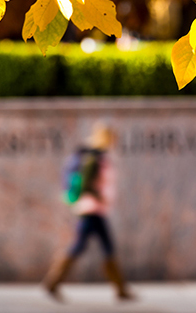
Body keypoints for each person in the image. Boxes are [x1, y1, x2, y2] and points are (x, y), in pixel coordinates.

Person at [42, 122, 133, 302]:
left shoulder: (94, 155)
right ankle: (52, 282)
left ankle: (121, 289)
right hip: (91, 209)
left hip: (94, 210)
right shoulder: (94, 157)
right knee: (81, 246)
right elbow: (87, 184)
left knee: (103, 247)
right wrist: (100, 197)